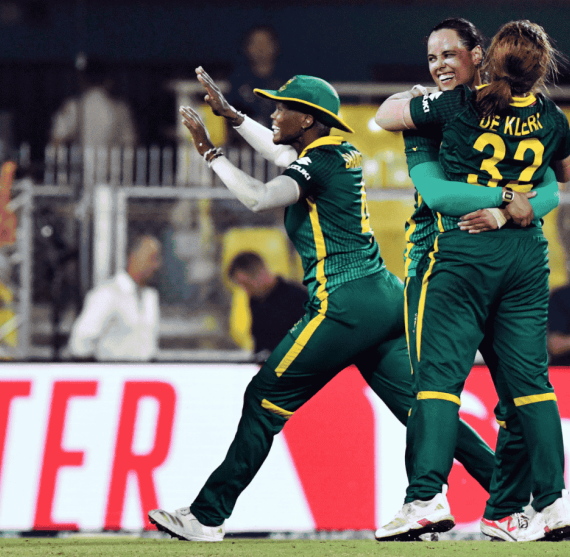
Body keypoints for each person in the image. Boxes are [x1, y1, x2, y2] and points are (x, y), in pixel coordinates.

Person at [148, 72, 496, 542]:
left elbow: (257, 197)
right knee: (426, 410)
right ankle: (515, 497)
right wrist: (233, 117)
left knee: (262, 399)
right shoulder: (332, 153)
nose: (273, 114)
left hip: (346, 302)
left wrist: (211, 152)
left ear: (307, 118)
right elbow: (281, 153)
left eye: (280, 108)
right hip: (384, 297)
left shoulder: (320, 162)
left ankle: (207, 516)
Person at [373, 19, 570, 542]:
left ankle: (425, 498)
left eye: (449, 54)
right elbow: (564, 177)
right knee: (528, 391)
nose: (440, 65)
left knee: (439, 385)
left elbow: (389, 123)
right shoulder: (552, 116)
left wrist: (499, 203)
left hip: (457, 255)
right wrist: (516, 202)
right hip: (528, 258)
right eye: (432, 57)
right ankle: (540, 504)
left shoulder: (453, 108)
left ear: (481, 55)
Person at [68, 235, 160, 361]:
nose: (156, 265)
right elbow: (80, 342)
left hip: (144, 376)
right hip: (114, 375)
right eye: (152, 258)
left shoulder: (150, 297)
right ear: (133, 257)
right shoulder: (107, 294)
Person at [227, 251, 308, 361]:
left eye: (246, 284)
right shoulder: (255, 299)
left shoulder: (299, 299)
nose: (245, 290)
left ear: (261, 273)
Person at [49, 62, 137, 150]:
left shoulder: (72, 107)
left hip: (81, 163)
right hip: (112, 162)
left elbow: (56, 141)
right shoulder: (121, 109)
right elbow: (130, 144)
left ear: (81, 79)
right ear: (109, 81)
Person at [224, 26, 285, 137]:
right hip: (245, 144)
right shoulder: (237, 80)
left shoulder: (288, 80)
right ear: (246, 47)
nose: (260, 48)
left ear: (276, 46)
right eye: (255, 43)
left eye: (265, 42)